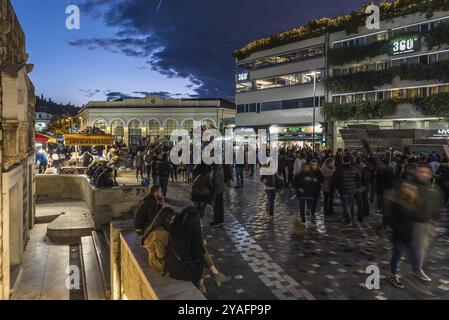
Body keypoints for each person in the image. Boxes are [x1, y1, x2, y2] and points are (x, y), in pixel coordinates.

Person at [166, 207, 231, 293]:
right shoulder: (193, 232)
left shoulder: (176, 227)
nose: (202, 224)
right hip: (182, 271)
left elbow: (184, 246)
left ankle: (216, 275)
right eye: (200, 221)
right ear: (193, 221)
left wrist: (199, 243)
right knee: (202, 255)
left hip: (172, 266)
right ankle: (204, 282)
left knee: (201, 250)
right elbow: (198, 254)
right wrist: (200, 243)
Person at [334, 156, 361, 225]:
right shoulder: (354, 169)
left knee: (345, 205)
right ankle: (349, 218)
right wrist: (355, 185)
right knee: (350, 204)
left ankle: (349, 219)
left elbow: (335, 180)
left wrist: (337, 187)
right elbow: (359, 178)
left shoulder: (339, 169)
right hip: (352, 189)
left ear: (343, 160)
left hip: (343, 189)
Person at [375, 159, 395, 229]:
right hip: (386, 191)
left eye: (379, 165)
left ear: (383, 165)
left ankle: (385, 224)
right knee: (385, 209)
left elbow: (382, 183)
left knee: (386, 209)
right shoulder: (389, 171)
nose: (378, 166)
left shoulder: (385, 172)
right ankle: (385, 223)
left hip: (386, 192)